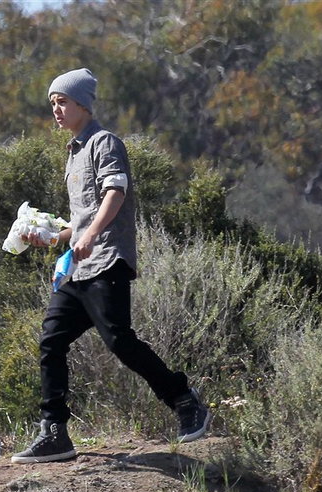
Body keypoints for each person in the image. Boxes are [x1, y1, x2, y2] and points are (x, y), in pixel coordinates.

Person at [11, 68, 211, 464]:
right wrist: (56, 237)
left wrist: (89, 237)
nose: (56, 109)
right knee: (51, 341)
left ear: (83, 103)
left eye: (62, 101)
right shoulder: (73, 152)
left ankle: (185, 401)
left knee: (119, 340)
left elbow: (114, 193)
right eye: (52, 103)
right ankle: (54, 432)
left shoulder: (105, 143)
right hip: (77, 268)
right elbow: (82, 220)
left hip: (107, 261)